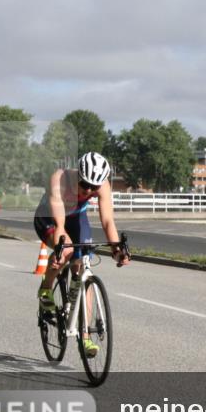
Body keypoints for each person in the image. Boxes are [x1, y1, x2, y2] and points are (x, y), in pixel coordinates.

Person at [33, 152, 129, 356]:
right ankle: (46, 289)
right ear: (78, 174)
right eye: (85, 184)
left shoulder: (102, 186)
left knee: (84, 264)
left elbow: (108, 221)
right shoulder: (59, 179)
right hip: (50, 217)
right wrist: (60, 249)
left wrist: (116, 249)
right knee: (67, 249)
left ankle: (85, 337)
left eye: (94, 187)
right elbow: (60, 225)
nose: (89, 190)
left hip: (76, 217)